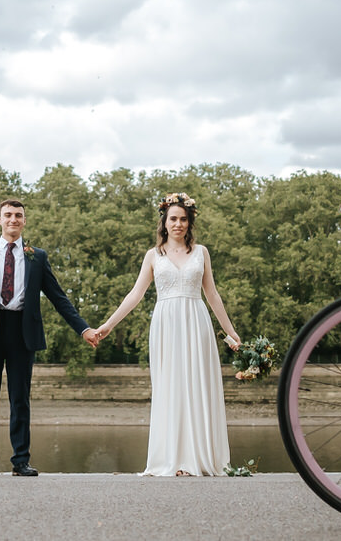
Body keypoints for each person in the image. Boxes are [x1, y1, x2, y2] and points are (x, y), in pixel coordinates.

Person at [93, 192, 241, 476]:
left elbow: (212, 295)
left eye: (184, 219)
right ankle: (173, 460)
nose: (178, 224)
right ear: (164, 222)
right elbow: (135, 295)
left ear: (190, 222)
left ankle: (195, 460)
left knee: (197, 386)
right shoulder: (153, 255)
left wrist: (231, 332)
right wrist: (108, 325)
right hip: (166, 325)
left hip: (196, 323)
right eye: (173, 219)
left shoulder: (202, 253)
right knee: (171, 388)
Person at [0, 199, 98, 476]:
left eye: (18, 215)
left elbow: (58, 297)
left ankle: (20, 461)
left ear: (24, 221)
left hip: (22, 332)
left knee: (20, 400)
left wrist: (83, 329)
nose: (13, 219)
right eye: (8, 215)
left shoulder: (37, 256)